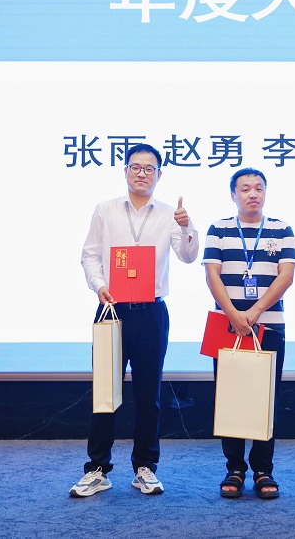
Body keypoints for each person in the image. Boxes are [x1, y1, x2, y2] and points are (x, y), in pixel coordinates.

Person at [71, 143, 199, 498]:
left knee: (149, 395)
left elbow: (188, 256)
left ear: (160, 174)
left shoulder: (170, 214)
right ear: (125, 170)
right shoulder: (105, 210)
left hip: (151, 312)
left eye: (149, 168)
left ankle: (145, 467)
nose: (142, 173)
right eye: (136, 167)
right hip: (112, 309)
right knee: (105, 393)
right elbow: (90, 255)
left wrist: (187, 227)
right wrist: (99, 285)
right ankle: (97, 469)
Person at [203, 167, 295, 500]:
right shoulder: (218, 229)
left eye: (258, 188)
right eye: (245, 189)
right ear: (233, 195)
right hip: (226, 325)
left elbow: (286, 276)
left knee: (265, 398)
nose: (252, 193)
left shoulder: (282, 229)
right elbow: (212, 275)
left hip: (269, 325)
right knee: (230, 398)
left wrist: (254, 313)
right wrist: (234, 314)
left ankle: (262, 469)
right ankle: (234, 468)